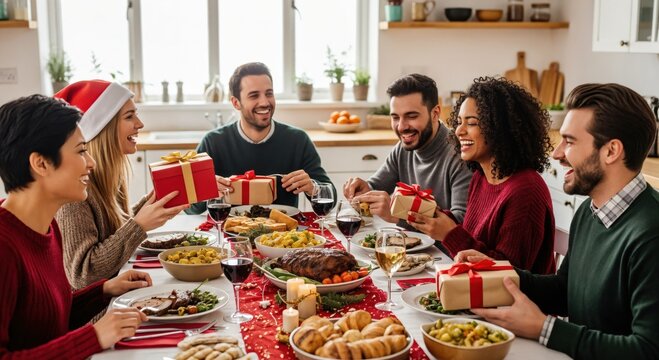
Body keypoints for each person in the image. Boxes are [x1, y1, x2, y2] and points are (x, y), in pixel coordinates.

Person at [457, 83, 659, 359]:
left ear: (611, 151)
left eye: (570, 141)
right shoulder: (589, 211)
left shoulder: (651, 233)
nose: (557, 153)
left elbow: (647, 350)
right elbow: (566, 291)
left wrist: (545, 328)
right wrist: (499, 272)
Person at [0, 94, 152, 358]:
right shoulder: (4, 248)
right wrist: (93, 337)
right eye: (81, 151)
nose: (91, 162)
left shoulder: (47, 227)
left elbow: (45, 321)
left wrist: (103, 291)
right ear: (41, 163)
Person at [409, 77, 555, 274]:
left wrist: (450, 233)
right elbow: (474, 237)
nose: (459, 130)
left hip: (514, 302)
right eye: (459, 122)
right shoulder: (481, 176)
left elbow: (510, 274)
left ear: (500, 128)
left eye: (472, 123)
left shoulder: (525, 191)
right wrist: (435, 215)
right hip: (476, 291)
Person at [54, 80, 188, 289]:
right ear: (102, 128)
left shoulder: (108, 176)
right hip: (97, 311)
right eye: (129, 116)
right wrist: (140, 225)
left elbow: (116, 230)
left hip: (119, 289)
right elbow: (82, 275)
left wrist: (167, 196)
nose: (140, 124)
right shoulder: (75, 194)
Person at [188, 62, 334, 213]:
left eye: (269, 93)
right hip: (228, 232)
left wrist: (313, 187)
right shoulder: (213, 142)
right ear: (236, 103)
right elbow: (190, 208)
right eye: (254, 95)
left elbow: (331, 198)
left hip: (284, 233)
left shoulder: (298, 140)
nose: (265, 102)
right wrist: (205, 190)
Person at [344, 73, 471, 224]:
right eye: (395, 117)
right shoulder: (402, 149)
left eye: (411, 116)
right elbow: (376, 186)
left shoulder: (460, 154)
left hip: (443, 248)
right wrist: (364, 190)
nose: (401, 126)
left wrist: (397, 216)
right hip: (409, 244)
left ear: (435, 113)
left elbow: (461, 222)